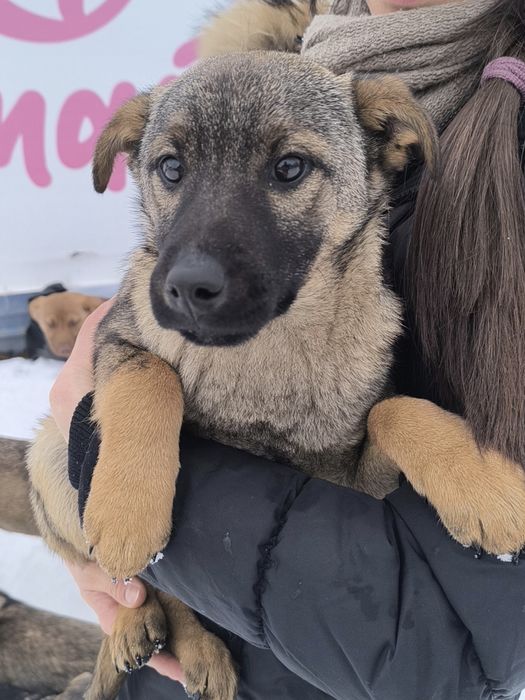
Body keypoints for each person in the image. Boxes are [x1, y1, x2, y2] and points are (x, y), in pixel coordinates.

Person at [49, 0, 525, 698]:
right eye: (172, 169)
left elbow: (456, 654)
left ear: (392, 148)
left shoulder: (398, 127)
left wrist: (89, 443)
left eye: (289, 168)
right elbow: (111, 373)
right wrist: (114, 463)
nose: (196, 266)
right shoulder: (262, 67)